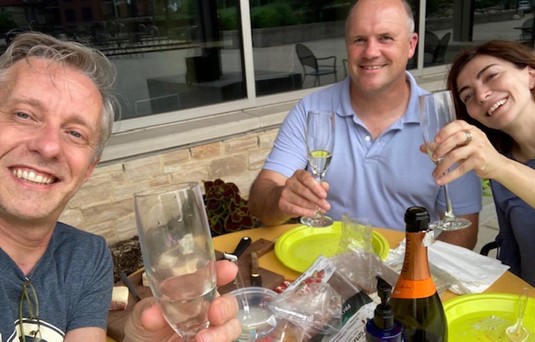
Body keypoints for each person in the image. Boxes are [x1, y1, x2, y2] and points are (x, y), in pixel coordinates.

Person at [0, 32, 240, 341]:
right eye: (24, 115)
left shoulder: (85, 255)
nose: (48, 146)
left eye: (74, 133)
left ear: (89, 168)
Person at [248, 0, 482, 249]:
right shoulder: (311, 110)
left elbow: (463, 229)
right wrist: (280, 200)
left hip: (413, 271)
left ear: (411, 44)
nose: (371, 52)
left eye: (385, 38)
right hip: (329, 269)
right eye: (359, 39)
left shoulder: (442, 119)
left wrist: (418, 279)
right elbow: (261, 200)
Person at [429, 40, 535, 286]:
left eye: (491, 76)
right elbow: (511, 249)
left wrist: (500, 167)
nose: (481, 95)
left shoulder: (499, 164)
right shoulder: (502, 160)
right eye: (467, 95)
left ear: (530, 74)